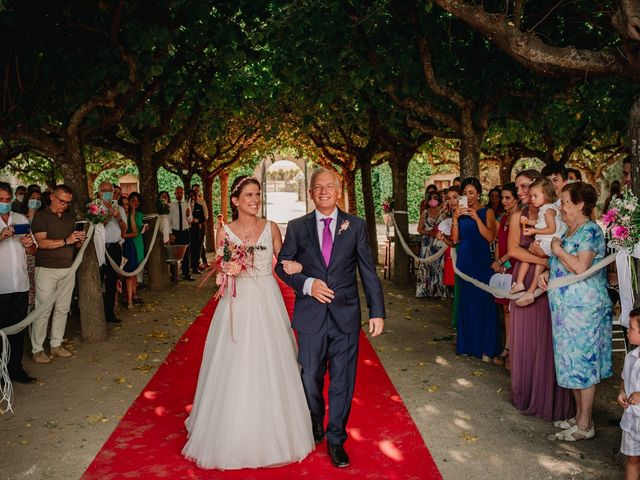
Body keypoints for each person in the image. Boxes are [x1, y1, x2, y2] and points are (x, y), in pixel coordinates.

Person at [183, 175, 315, 469]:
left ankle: (276, 429)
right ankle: (229, 430)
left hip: (267, 300)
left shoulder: (271, 228)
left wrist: (298, 267)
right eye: (249, 196)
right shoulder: (224, 232)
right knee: (234, 361)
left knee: (272, 360)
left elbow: (283, 263)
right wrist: (225, 271)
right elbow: (221, 265)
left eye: (257, 195)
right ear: (235, 201)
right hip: (237, 302)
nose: (255, 200)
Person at [276, 168, 385, 468]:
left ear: (339, 191)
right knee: (310, 376)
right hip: (310, 316)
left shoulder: (356, 226)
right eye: (317, 187)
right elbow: (282, 267)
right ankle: (314, 420)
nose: (324, 191)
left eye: (329, 187)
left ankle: (336, 438)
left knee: (342, 381)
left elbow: (367, 271)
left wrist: (377, 311)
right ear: (310, 193)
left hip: (345, 316)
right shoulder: (297, 227)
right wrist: (308, 284)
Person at [541, 182, 612, 441]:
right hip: (564, 311)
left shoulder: (590, 231)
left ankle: (585, 425)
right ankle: (579, 416)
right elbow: (562, 266)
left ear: (580, 205)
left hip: (584, 310)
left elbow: (581, 266)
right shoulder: (569, 231)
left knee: (584, 365)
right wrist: (549, 273)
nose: (560, 208)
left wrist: (558, 250)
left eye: (565, 203)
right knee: (570, 363)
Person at [508, 170, 574, 421]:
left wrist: (548, 263)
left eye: (526, 187)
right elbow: (514, 250)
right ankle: (526, 393)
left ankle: (550, 398)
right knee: (525, 338)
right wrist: (543, 259)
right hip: (525, 277)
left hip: (549, 280)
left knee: (547, 340)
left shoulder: (556, 212)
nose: (522, 193)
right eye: (519, 189)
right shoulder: (518, 216)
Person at [30, 184, 86, 364]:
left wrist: (78, 240)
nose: (65, 205)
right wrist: (66, 240)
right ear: (52, 197)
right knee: (43, 310)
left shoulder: (70, 219)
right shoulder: (41, 216)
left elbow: (73, 245)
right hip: (46, 270)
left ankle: (56, 344)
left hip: (67, 269)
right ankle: (37, 349)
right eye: (62, 201)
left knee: (62, 309)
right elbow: (41, 243)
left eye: (68, 202)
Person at [450, 177, 499, 361]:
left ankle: (486, 347)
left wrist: (476, 217)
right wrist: (455, 218)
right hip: (465, 261)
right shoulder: (458, 213)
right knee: (467, 303)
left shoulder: (488, 212)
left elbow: (490, 237)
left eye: (471, 193)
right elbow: (455, 240)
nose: (468, 197)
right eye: (465, 193)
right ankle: (467, 345)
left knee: (484, 302)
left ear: (478, 193)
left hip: (481, 262)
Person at [0, 182, 38, 383]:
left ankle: (16, 368)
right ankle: (1, 372)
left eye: (7, 200)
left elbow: (33, 250)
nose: (5, 204)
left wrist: (29, 245)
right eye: (1, 200)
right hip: (1, 286)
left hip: (20, 284)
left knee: (18, 329)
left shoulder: (21, 218)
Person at [510, 177, 565, 306]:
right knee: (533, 259)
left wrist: (534, 231)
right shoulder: (545, 209)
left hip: (548, 242)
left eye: (535, 195)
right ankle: (525, 287)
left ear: (545, 194)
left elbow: (552, 229)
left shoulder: (548, 211)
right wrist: (529, 222)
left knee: (531, 258)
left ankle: (524, 286)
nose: (532, 198)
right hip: (545, 242)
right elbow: (540, 223)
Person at [490, 182, 518, 367]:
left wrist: (502, 263)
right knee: (505, 309)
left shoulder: (518, 218)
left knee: (512, 309)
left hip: (514, 264)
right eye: (503, 197)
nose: (504, 201)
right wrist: (497, 261)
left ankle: (514, 349)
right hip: (502, 266)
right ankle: (507, 345)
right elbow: (500, 242)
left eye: (508, 197)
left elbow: (515, 249)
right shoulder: (504, 218)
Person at [98, 182, 126, 323]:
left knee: (112, 281)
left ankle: (109, 313)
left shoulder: (119, 208)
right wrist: (108, 216)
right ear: (99, 192)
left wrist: (118, 217)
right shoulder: (94, 208)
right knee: (98, 280)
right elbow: (95, 228)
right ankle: (98, 314)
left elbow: (124, 230)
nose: (109, 193)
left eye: (111, 191)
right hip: (100, 248)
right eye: (105, 191)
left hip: (115, 247)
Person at [618, 308, 640, 478]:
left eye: (631, 328)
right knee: (632, 458)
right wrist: (621, 393)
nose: (627, 330)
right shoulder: (630, 357)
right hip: (631, 419)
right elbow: (624, 380)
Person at [416, 190, 448, 298]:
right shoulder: (425, 213)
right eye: (430, 198)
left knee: (438, 266)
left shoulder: (443, 213)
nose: (433, 200)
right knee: (425, 266)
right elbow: (419, 229)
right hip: (426, 243)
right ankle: (425, 291)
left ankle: (437, 291)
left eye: (435, 198)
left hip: (439, 243)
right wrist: (430, 232)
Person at [121, 192, 146, 309]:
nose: (135, 203)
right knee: (128, 271)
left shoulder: (139, 214)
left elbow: (137, 229)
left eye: (137, 201)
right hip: (127, 244)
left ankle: (133, 294)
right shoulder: (124, 214)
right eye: (133, 200)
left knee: (135, 269)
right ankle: (127, 296)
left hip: (137, 241)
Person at [20, 189, 42, 310]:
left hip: (42, 256)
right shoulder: (21, 218)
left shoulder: (45, 218)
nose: (35, 201)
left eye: (38, 199)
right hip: (26, 258)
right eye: (33, 198)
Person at [169, 186, 194, 281]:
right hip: (175, 232)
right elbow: (169, 220)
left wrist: (188, 215)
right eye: (178, 192)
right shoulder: (171, 205)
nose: (179, 194)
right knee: (174, 254)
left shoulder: (186, 205)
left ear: (183, 194)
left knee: (186, 253)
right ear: (175, 193)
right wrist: (170, 234)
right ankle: (174, 275)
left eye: (181, 193)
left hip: (185, 231)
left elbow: (190, 219)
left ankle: (186, 273)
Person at [188, 189, 205, 275]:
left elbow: (203, 218)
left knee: (196, 248)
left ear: (195, 197)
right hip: (186, 230)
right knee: (187, 249)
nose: (191, 197)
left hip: (195, 229)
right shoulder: (184, 206)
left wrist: (197, 220)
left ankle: (195, 267)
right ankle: (186, 268)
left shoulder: (199, 206)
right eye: (189, 195)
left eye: (192, 195)